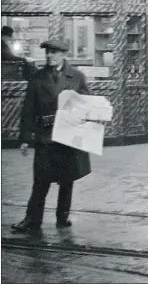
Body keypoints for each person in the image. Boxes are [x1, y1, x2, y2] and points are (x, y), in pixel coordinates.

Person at [11, 39, 91, 233]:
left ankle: (62, 218)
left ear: (63, 54)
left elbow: (87, 105)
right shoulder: (37, 78)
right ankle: (32, 220)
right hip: (45, 136)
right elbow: (28, 110)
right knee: (40, 181)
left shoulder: (77, 77)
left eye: (54, 52)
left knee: (67, 180)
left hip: (68, 137)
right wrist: (24, 138)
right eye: (47, 52)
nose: (49, 56)